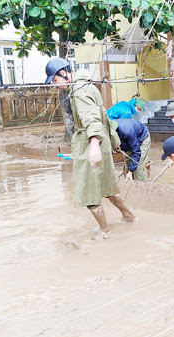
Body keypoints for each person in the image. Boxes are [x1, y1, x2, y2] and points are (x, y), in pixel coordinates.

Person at [45, 57, 135, 238]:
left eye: (55, 80)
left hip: (91, 142)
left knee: (88, 192)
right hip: (102, 141)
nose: (56, 85)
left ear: (63, 73)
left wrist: (94, 145)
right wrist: (114, 142)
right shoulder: (88, 86)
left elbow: (92, 119)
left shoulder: (78, 91)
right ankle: (130, 217)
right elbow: (104, 118)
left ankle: (104, 231)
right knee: (108, 188)